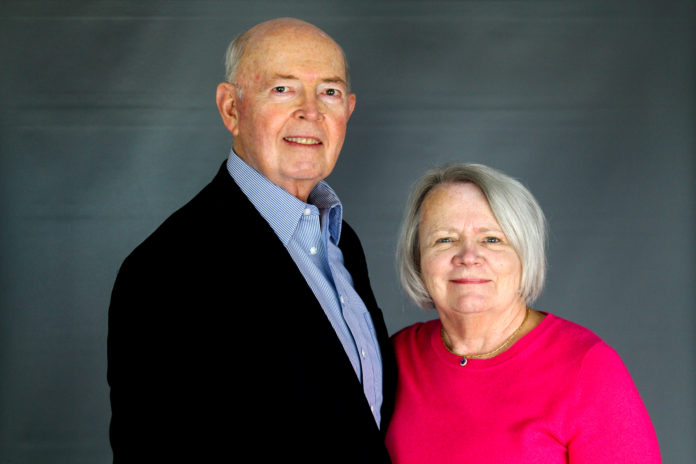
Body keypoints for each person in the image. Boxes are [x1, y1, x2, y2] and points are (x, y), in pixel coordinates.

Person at [107, 18, 395, 463]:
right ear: (231, 109)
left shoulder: (341, 241)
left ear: (348, 110)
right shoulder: (166, 270)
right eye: (282, 89)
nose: (311, 111)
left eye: (330, 92)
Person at [385, 163, 661, 463]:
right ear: (418, 258)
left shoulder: (588, 368)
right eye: (444, 239)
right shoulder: (395, 358)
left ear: (524, 254)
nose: (468, 257)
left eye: (492, 239)